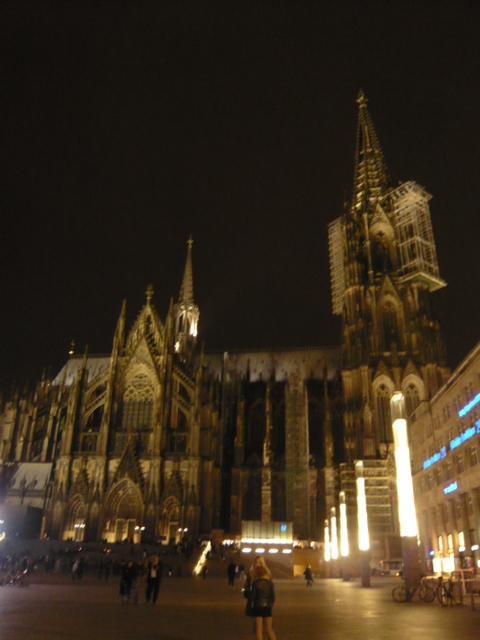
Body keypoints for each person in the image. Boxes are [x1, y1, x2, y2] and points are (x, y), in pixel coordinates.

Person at [244, 556, 277, 640]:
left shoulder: (254, 578)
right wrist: (270, 604)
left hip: (257, 605)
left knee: (258, 630)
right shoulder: (269, 578)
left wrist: (246, 593)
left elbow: (251, 595)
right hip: (267, 606)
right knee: (269, 629)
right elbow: (273, 596)